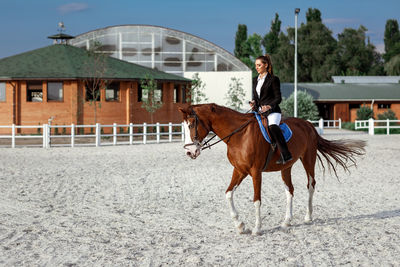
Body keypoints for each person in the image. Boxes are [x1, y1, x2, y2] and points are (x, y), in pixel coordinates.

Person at [250, 54, 292, 164]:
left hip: (272, 111)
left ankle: (285, 154)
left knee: (273, 127)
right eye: (256, 65)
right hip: (259, 111)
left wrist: (268, 106)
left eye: (259, 65)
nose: (257, 67)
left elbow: (278, 98)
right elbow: (256, 97)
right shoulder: (255, 80)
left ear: (266, 65)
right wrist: (253, 102)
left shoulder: (273, 79)